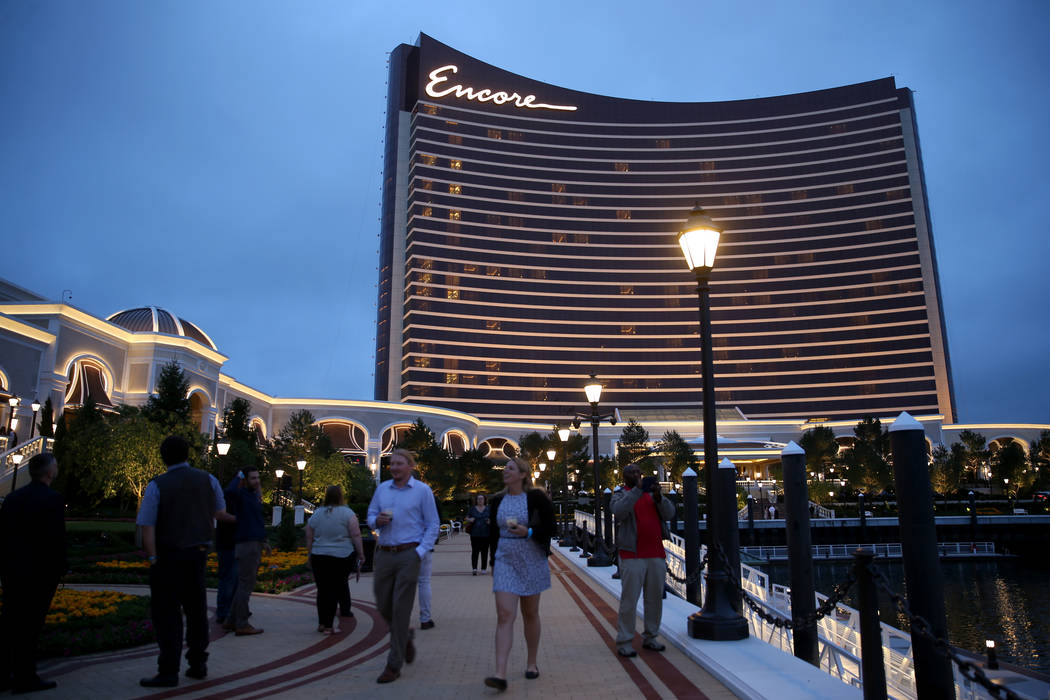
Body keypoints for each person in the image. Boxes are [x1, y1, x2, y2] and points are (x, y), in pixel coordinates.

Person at [137, 436, 232, 688]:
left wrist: (153, 556)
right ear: (188, 454)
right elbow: (219, 513)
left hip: (167, 557)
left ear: (163, 457)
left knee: (167, 614)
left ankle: (168, 670)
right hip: (197, 555)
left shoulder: (157, 485)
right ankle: (198, 664)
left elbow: (147, 525)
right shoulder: (209, 480)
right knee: (197, 611)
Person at [366, 448, 440, 684]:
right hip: (384, 552)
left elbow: (433, 524)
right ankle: (405, 636)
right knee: (383, 602)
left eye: (399, 463)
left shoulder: (422, 491)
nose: (394, 467)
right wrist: (375, 521)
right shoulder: (382, 489)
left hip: (409, 553)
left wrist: (420, 551)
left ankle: (393, 663)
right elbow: (370, 514)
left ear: (410, 466)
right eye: (392, 463)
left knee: (401, 609)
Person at [484, 457, 556, 691]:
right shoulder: (497, 500)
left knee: (530, 613)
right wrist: (493, 560)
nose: (506, 471)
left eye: (511, 468)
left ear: (523, 474)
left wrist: (530, 531)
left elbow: (552, 527)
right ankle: (500, 673)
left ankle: (532, 663)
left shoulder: (536, 498)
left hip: (531, 557)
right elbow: (494, 533)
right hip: (505, 558)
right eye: (505, 468)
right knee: (505, 614)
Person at [0, 452, 66, 694]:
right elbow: (56, 540)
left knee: (9, 622)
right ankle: (25, 676)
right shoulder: (53, 499)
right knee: (30, 626)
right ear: (49, 472)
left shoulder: (13, 498)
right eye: (56, 465)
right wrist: (61, 568)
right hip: (39, 573)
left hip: (13, 570)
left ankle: (5, 672)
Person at [611, 463, 675, 658]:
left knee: (654, 598)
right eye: (632, 472)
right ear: (625, 477)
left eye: (639, 471)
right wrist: (636, 491)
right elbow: (619, 511)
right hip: (632, 555)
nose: (637, 474)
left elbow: (670, 513)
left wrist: (659, 497)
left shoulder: (651, 495)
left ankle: (651, 636)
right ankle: (625, 640)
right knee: (629, 600)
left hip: (655, 553)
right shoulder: (621, 494)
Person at [307, 485, 365, 634]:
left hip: (319, 554)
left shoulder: (317, 513)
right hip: (342, 555)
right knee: (335, 588)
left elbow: (309, 534)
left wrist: (309, 553)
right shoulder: (348, 513)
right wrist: (360, 553)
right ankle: (328, 626)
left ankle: (321, 622)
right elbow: (356, 534)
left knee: (323, 589)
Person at [228, 466, 270, 636]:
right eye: (253, 478)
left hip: (254, 542)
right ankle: (242, 623)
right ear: (244, 480)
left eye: (258, 477)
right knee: (246, 585)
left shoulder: (253, 496)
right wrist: (238, 475)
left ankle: (231, 620)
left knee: (243, 584)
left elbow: (258, 521)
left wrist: (264, 541)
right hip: (247, 544)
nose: (257, 481)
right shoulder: (241, 494)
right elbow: (229, 491)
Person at [214, 472, 241, 627]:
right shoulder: (230, 495)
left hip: (233, 543)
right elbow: (219, 515)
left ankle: (231, 610)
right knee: (228, 579)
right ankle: (224, 612)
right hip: (228, 544)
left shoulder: (234, 494)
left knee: (234, 579)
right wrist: (240, 519)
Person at [417, 492, 441, 630]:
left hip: (406, 545)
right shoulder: (431, 498)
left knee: (403, 584)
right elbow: (436, 521)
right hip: (425, 545)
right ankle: (425, 618)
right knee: (424, 582)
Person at [466, 493, 491, 575]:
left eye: (482, 499)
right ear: (476, 500)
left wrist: (490, 521)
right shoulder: (472, 509)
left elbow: (493, 518)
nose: (480, 500)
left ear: (484, 500)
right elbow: (466, 517)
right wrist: (470, 520)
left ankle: (483, 568)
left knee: (485, 551)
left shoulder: (488, 508)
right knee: (475, 551)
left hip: (486, 533)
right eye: (478, 499)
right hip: (475, 533)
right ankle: (474, 568)